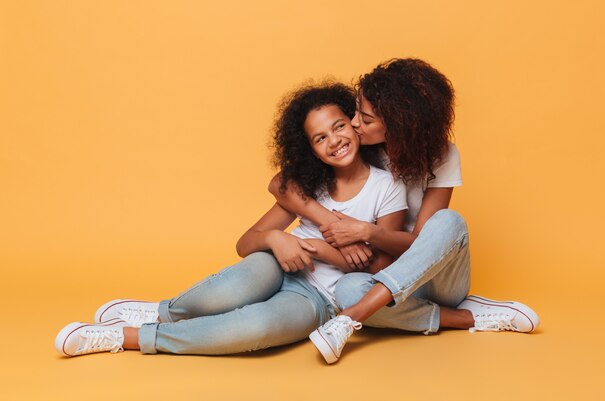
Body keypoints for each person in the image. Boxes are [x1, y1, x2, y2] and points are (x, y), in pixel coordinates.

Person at [54, 82, 409, 357]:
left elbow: (380, 269)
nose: (335, 140)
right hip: (277, 267)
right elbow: (245, 244)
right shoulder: (307, 185)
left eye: (340, 126)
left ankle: (126, 336)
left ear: (356, 125)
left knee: (254, 329)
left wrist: (315, 249)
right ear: (309, 148)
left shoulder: (387, 187)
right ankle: (161, 311)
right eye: (320, 137)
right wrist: (275, 240)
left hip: (321, 300)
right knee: (228, 290)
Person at [269, 58, 540, 364]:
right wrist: (329, 220)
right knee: (346, 290)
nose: (355, 122)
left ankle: (353, 317)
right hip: (380, 273)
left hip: (436, 278)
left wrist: (367, 232)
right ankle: (467, 317)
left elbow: (426, 243)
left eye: (366, 119)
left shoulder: (443, 156)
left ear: (398, 125)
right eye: (357, 111)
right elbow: (282, 182)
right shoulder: (357, 145)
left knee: (448, 221)